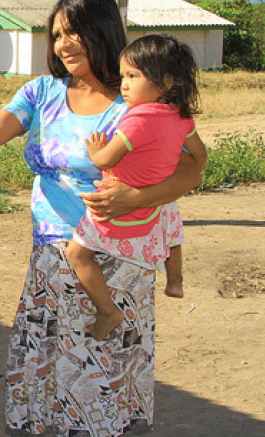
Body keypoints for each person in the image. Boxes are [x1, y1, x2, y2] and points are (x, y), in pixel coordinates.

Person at [0, 0, 204, 436]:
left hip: (121, 255)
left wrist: (135, 198)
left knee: (103, 368)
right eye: (56, 35)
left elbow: (192, 167)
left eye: (74, 31)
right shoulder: (42, 92)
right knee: (53, 358)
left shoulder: (140, 97)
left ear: (102, 30)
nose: (63, 44)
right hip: (54, 253)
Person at [66, 34, 207, 340]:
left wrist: (95, 150)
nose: (125, 85)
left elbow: (106, 158)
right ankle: (175, 280)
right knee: (171, 222)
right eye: (123, 77)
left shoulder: (137, 120)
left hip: (117, 207)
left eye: (133, 76)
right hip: (154, 207)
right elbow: (200, 157)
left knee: (77, 254)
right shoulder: (182, 119)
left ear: (166, 82)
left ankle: (107, 311)